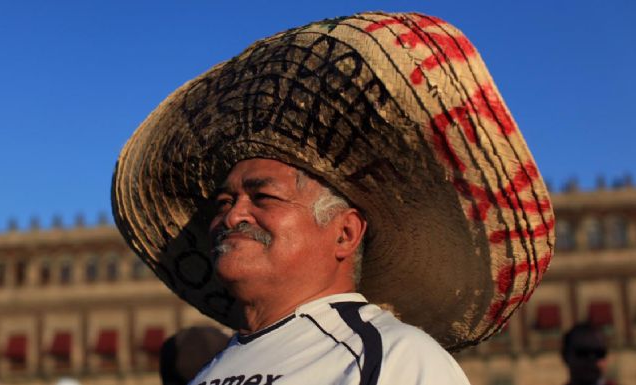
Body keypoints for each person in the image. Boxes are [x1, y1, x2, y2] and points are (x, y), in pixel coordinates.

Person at [112, 11, 555, 385]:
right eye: (224, 202)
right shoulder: (210, 373)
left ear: (344, 233)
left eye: (262, 196)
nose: (232, 216)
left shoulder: (396, 361)